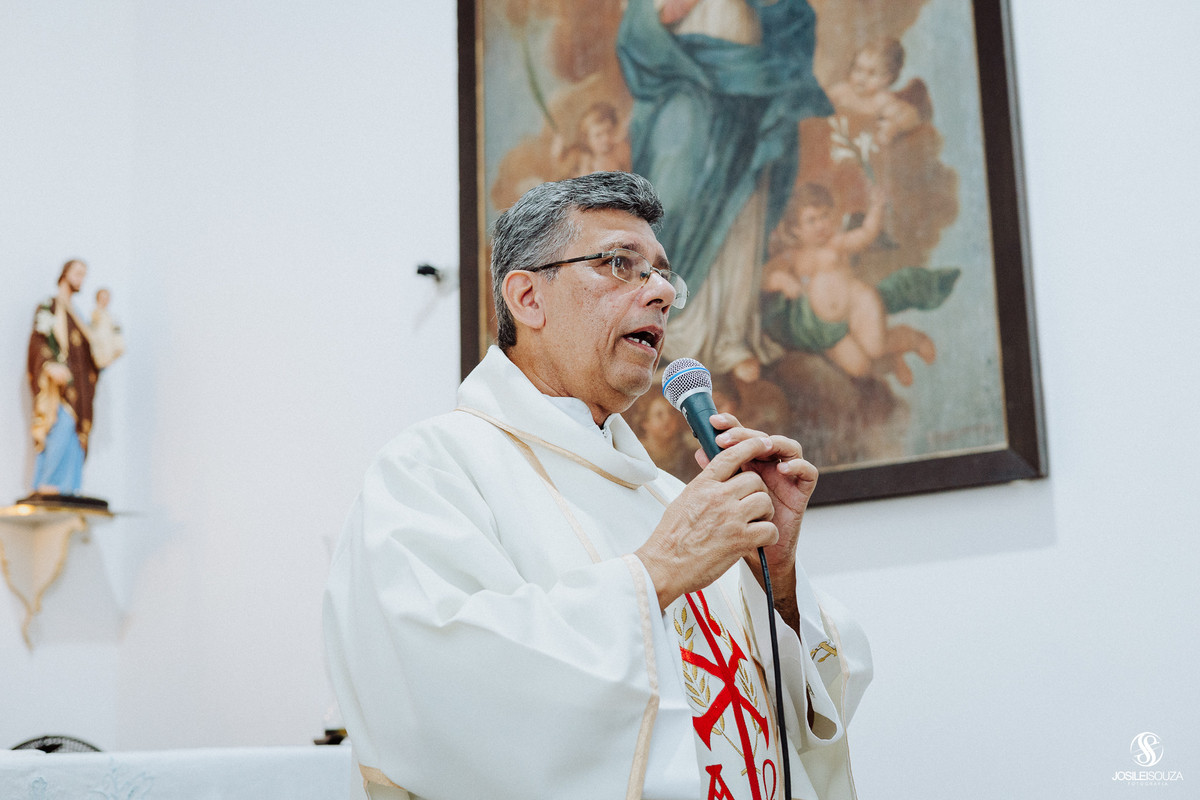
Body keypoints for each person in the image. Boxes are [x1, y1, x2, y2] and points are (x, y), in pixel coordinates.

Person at [324, 172, 871, 800]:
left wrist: (775, 583)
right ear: (528, 299)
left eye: (665, 275)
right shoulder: (430, 470)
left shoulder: (668, 499)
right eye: (621, 264)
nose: (661, 292)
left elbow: (790, 719)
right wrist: (658, 571)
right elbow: (431, 686)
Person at [617, 0, 833, 382]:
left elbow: (790, 15)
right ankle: (671, 328)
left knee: (741, 206)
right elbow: (639, 30)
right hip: (686, 81)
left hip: (749, 84)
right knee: (675, 199)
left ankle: (729, 337)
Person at [762, 183, 958, 386]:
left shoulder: (837, 243)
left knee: (876, 346)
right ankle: (892, 362)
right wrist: (781, 281)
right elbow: (763, 275)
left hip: (858, 305)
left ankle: (913, 339)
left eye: (824, 216)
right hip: (827, 329)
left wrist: (877, 208)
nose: (821, 225)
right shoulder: (792, 257)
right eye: (811, 220)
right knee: (860, 368)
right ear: (796, 229)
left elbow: (865, 234)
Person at [26, 259, 124, 497]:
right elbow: (39, 342)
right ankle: (49, 483)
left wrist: (104, 356)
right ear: (65, 274)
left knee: (76, 435)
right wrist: (50, 365)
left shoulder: (80, 317)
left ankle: (69, 488)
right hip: (60, 389)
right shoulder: (49, 307)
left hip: (80, 390)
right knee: (61, 426)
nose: (81, 279)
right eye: (77, 273)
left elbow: (89, 356)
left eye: (84, 275)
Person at [550, 102, 632, 179]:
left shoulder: (620, 149)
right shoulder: (583, 159)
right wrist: (558, 156)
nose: (605, 139)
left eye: (608, 131)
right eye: (598, 135)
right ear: (587, 139)